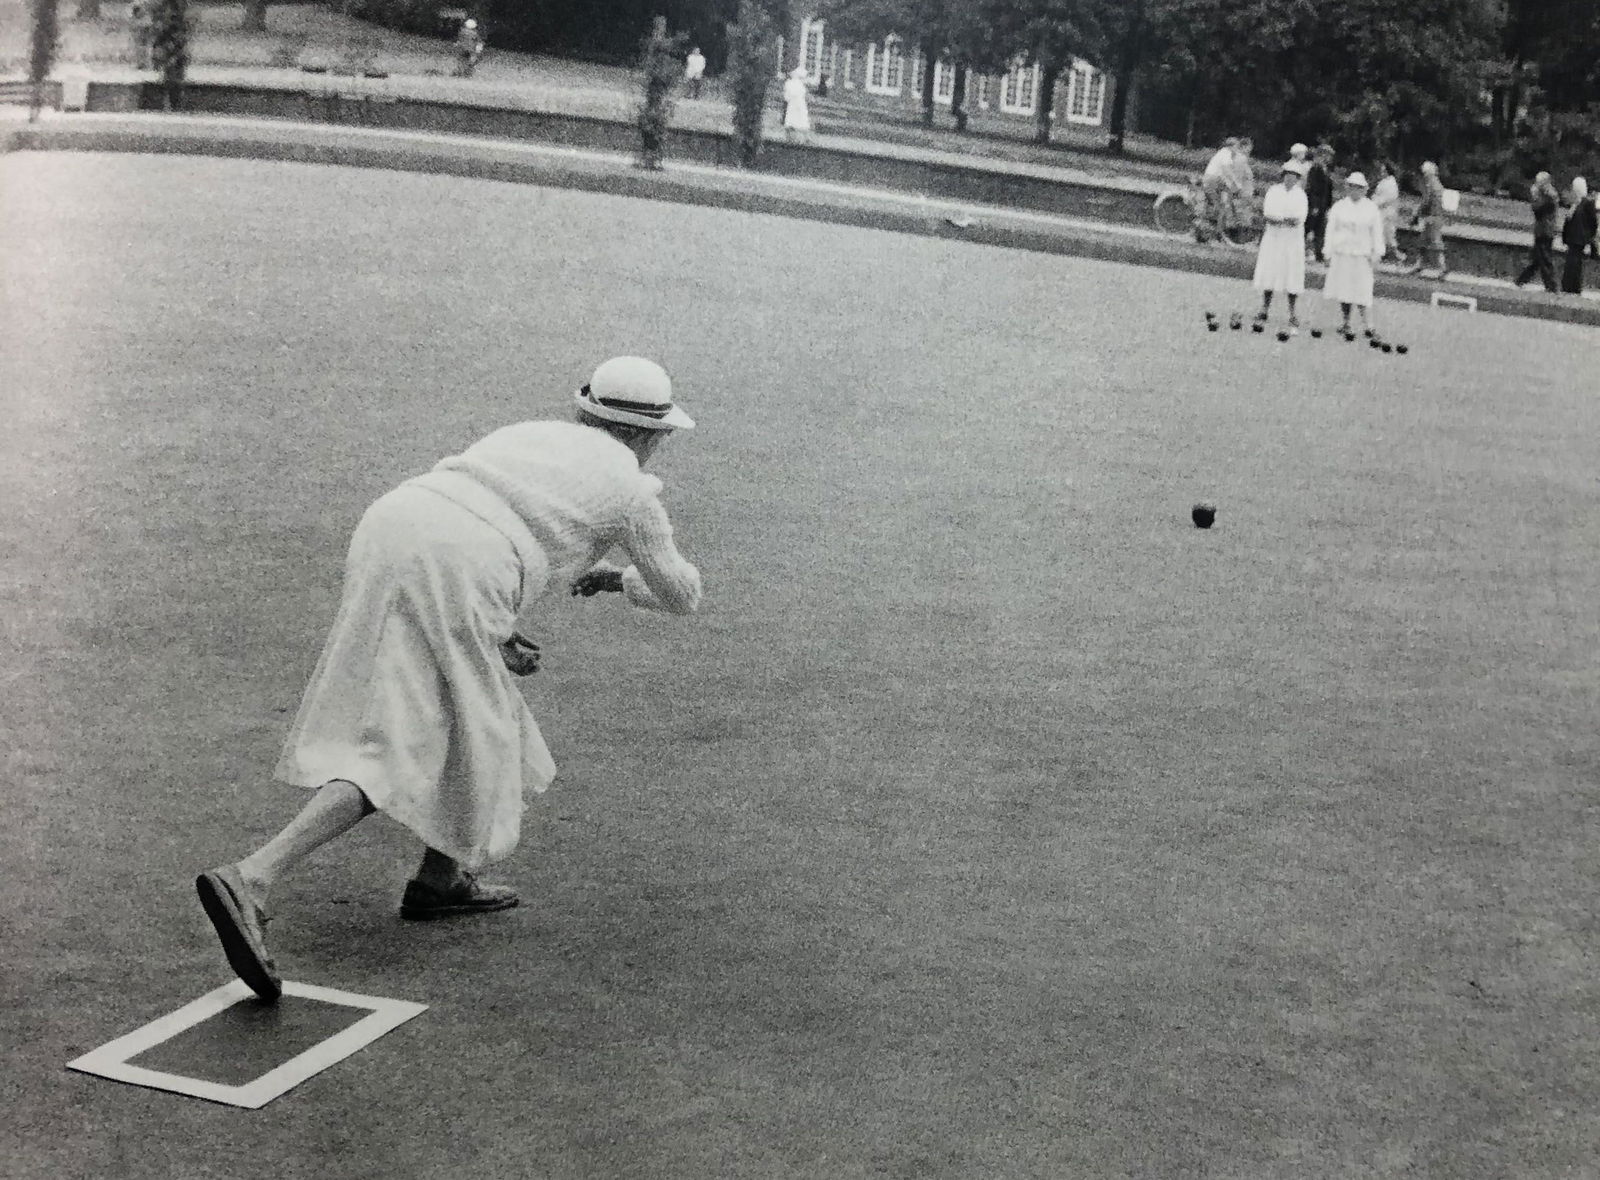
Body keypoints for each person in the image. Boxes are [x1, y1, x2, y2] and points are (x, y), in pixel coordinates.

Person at [195, 356, 704, 1002]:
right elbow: (682, 594)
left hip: (394, 525)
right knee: (411, 739)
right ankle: (254, 877)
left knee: (484, 716)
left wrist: (491, 625)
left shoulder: (527, 436)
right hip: (463, 567)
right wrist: (619, 579)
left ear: (585, 411)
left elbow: (486, 519)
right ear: (652, 435)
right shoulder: (631, 492)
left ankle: (442, 879)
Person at [1322, 171, 1386, 338]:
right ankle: (1346, 323)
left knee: (1363, 291)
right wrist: (1327, 252)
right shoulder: (1339, 207)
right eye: (1351, 187)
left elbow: (1377, 233)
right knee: (1344, 290)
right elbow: (1330, 231)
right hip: (1342, 253)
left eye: (1358, 187)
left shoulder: (1371, 209)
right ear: (1347, 187)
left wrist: (1377, 252)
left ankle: (1368, 326)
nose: (1355, 190)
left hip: (1362, 255)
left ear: (1365, 189)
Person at [1252, 159, 1310, 332]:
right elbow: (1268, 213)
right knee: (1270, 272)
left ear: (1298, 178)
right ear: (1283, 176)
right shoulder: (1273, 191)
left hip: (1292, 241)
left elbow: (1299, 218)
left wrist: (1281, 219)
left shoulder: (1301, 195)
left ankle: (1292, 313)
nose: (1290, 179)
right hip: (1274, 239)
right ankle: (1264, 309)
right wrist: (1282, 219)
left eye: (1293, 176)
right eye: (1287, 175)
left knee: (1292, 275)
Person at [1515, 171, 1561, 292]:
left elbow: (1538, 210)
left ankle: (1552, 287)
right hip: (1544, 230)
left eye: (1538, 181)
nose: (1536, 184)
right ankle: (1521, 280)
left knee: (1545, 259)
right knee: (1536, 259)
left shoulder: (1549, 197)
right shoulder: (1550, 195)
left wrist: (1534, 196)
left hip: (1544, 232)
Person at [1409, 161, 1450, 279]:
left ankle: (1443, 268)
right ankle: (1419, 266)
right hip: (1435, 217)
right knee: (1423, 243)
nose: (1424, 175)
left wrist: (1416, 215)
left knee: (1435, 244)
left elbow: (1426, 201)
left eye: (1425, 172)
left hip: (1432, 218)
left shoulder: (1431, 184)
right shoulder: (1437, 184)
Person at [1201, 137, 1244, 241]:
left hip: (1211, 180)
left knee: (1219, 205)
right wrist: (1236, 183)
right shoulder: (1226, 154)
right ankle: (1217, 233)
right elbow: (1227, 170)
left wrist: (1230, 184)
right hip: (1213, 181)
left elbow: (1224, 174)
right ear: (1231, 146)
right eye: (1237, 147)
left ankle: (1213, 231)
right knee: (1222, 207)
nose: (1237, 149)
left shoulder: (1221, 153)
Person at [1561, 176, 1598, 295]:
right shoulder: (1576, 203)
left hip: (1579, 238)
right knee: (1571, 262)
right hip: (1573, 237)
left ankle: (1573, 287)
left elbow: (1593, 221)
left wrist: (1590, 235)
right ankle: (1569, 286)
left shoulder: (1586, 203)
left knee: (1575, 263)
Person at [1304, 144, 1335, 263]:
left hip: (1323, 205)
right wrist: (1315, 205)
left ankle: (1319, 253)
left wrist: (1327, 205)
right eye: (1328, 155)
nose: (1330, 158)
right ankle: (1309, 251)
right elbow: (1313, 189)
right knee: (1311, 227)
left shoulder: (1325, 169)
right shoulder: (1315, 169)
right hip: (1316, 205)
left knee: (1320, 229)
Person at [1371, 159, 1406, 265]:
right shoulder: (1384, 182)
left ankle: (1398, 256)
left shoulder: (1391, 183)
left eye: (1383, 171)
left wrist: (1375, 202)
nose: (1381, 173)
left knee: (1388, 235)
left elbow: (1388, 198)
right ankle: (1382, 255)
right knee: (1383, 235)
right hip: (1381, 212)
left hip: (1387, 213)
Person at [782, 67, 812, 140]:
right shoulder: (799, 85)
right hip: (798, 103)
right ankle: (805, 136)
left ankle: (789, 136)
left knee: (792, 119)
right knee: (801, 120)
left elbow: (786, 96)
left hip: (794, 103)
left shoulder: (789, 83)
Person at [129, 2, 154, 70]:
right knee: (139, 50)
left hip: (145, 37)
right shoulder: (134, 19)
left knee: (146, 50)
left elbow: (149, 25)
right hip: (139, 37)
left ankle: (146, 64)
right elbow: (132, 27)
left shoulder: (146, 18)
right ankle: (140, 64)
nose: (142, 11)